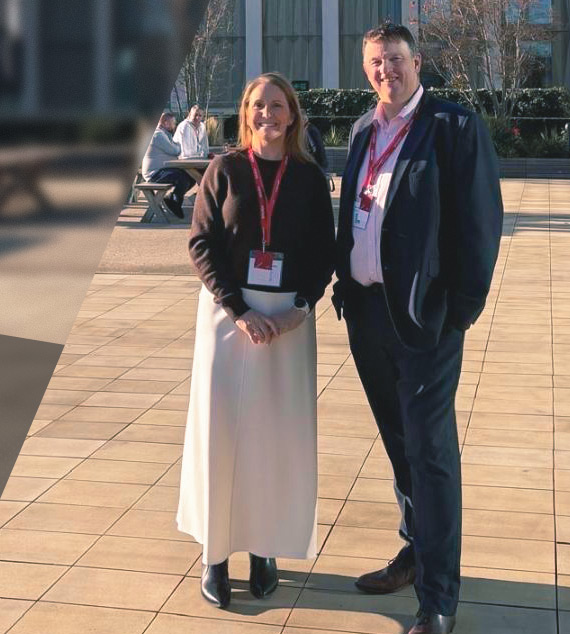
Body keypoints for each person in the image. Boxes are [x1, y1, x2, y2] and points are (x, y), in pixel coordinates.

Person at [331, 22, 502, 634]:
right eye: (376, 62)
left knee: (430, 455)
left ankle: (438, 599)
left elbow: (480, 223)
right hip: (368, 316)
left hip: (426, 322)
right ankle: (415, 552)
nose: (386, 70)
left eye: (395, 59)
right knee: (400, 447)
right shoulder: (362, 129)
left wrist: (458, 313)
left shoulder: (453, 126)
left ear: (417, 61)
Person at [177, 73, 335, 609]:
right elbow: (201, 244)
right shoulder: (225, 169)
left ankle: (264, 549)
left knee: (274, 440)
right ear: (245, 114)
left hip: (288, 321)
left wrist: (300, 307)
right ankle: (215, 555)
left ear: (292, 115)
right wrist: (239, 310)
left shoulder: (309, 178)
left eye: (277, 105)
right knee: (221, 435)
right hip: (229, 318)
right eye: (257, 105)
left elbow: (324, 251)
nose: (267, 114)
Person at [141, 112, 194, 218]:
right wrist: (179, 145)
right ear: (165, 122)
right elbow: (175, 151)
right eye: (173, 123)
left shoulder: (164, 134)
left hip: (161, 170)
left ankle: (172, 199)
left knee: (191, 176)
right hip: (154, 174)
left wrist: (176, 146)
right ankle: (175, 203)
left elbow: (174, 148)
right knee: (182, 177)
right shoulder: (158, 135)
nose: (175, 125)